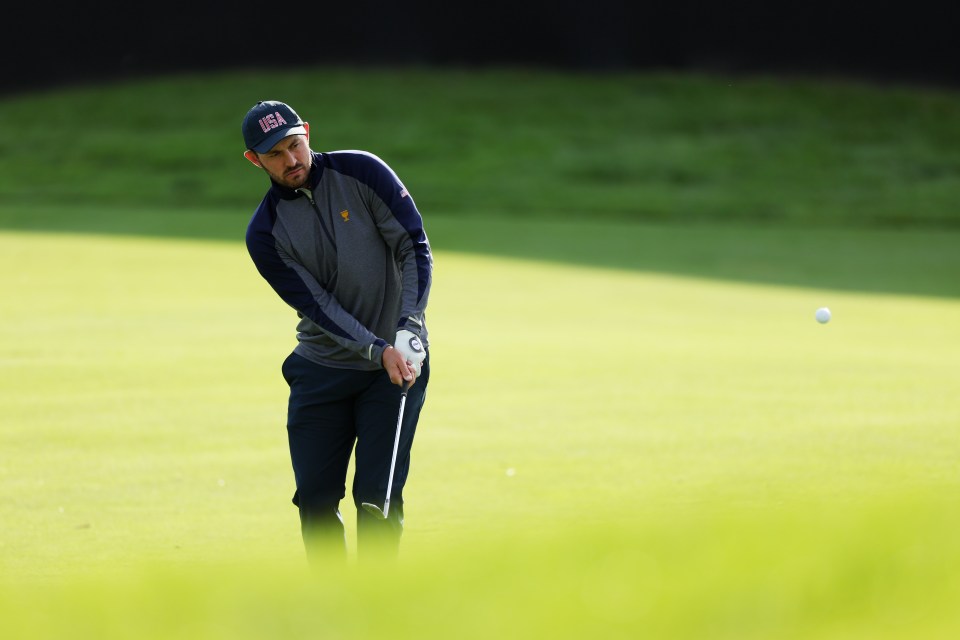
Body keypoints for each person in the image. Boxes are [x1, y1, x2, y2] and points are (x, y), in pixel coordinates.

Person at [241, 100, 432, 563]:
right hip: (322, 370)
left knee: (377, 500)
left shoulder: (363, 173)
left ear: (307, 132)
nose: (291, 161)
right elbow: (317, 307)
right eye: (276, 155)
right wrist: (375, 347)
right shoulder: (264, 233)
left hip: (393, 371)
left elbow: (413, 246)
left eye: (295, 145)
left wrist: (408, 326)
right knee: (315, 501)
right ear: (255, 161)